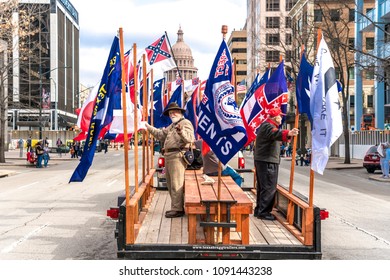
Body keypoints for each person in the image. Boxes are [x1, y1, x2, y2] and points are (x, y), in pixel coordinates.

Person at [144, 102, 195, 218]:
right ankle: (176, 207)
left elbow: (190, 138)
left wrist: (181, 131)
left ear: (180, 113)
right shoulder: (172, 126)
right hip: (169, 156)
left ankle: (177, 209)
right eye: (171, 113)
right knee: (171, 182)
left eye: (175, 112)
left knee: (176, 183)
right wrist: (147, 126)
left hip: (177, 156)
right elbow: (160, 134)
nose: (172, 114)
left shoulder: (185, 123)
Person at [254, 108, 299, 221]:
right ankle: (264, 212)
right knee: (269, 187)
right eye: (280, 116)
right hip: (267, 160)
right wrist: (289, 133)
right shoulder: (268, 126)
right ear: (275, 117)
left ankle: (259, 210)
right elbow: (275, 133)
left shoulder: (266, 125)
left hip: (264, 160)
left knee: (263, 187)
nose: (281, 118)